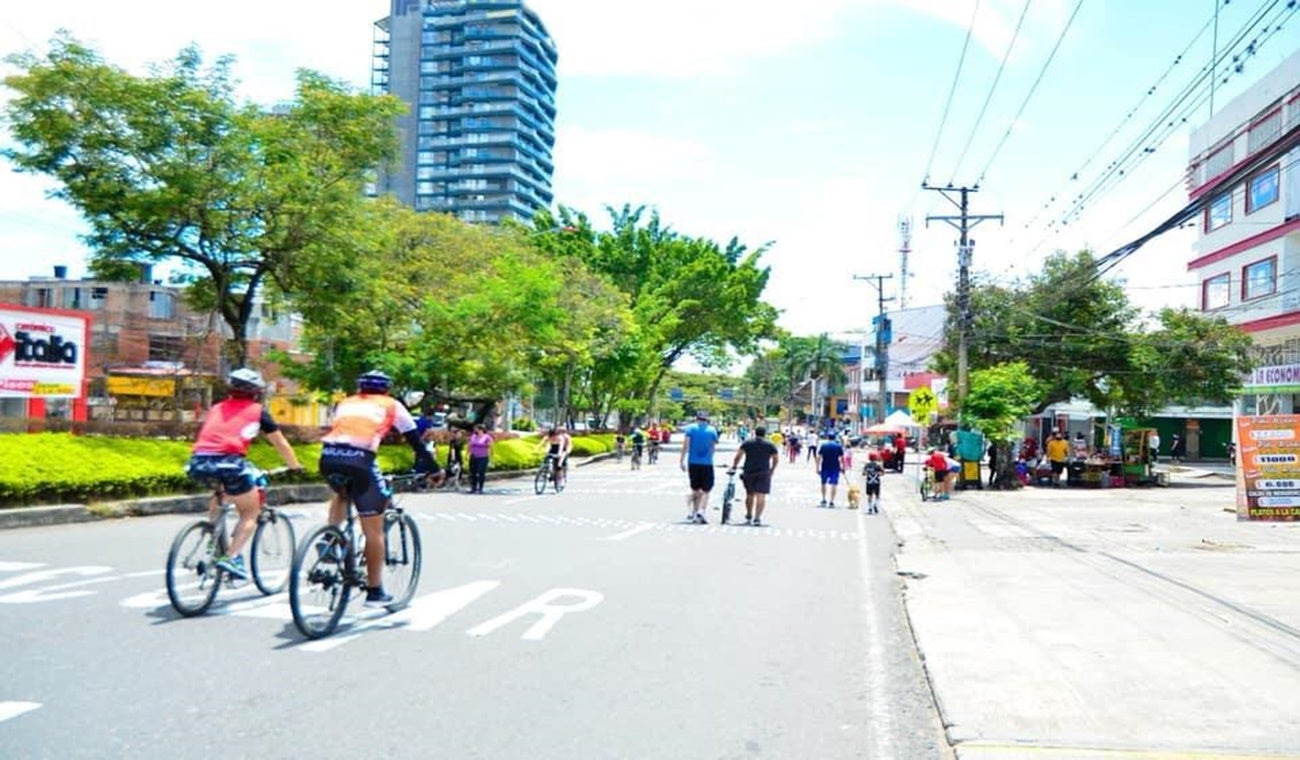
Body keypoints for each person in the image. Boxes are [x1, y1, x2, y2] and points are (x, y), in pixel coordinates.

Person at [318, 369, 435, 607]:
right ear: (387, 390)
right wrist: (434, 468)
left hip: (328, 457)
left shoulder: (346, 403)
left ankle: (331, 537)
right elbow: (416, 442)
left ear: (359, 388)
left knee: (343, 493)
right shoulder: (392, 405)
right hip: (360, 461)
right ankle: (374, 591)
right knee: (374, 530)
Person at [186, 368, 304, 580]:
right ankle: (231, 558)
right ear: (256, 392)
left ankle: (214, 537)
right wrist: (295, 466)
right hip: (230, 463)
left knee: (221, 495)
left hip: (198, 462)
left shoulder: (216, 408)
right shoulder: (258, 412)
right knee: (250, 512)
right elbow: (280, 443)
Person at [730, 425, 780, 526]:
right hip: (764, 472)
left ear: (755, 433)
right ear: (765, 434)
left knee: (749, 494)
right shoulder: (770, 445)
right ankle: (757, 518)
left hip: (749, 471)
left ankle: (749, 515)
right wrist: (772, 470)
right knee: (761, 495)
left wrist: (734, 466)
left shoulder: (747, 443)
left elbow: (738, 456)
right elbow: (776, 459)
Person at [679, 410, 719, 524]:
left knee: (695, 488)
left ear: (697, 418)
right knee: (706, 489)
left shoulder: (690, 429)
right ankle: (701, 511)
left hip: (693, 462)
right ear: (707, 419)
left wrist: (681, 460)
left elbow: (685, 445)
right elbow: (713, 446)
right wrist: (709, 457)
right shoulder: (712, 430)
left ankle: (695, 512)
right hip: (707, 463)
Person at [815, 432, 847, 507]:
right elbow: (842, 458)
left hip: (825, 466)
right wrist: (843, 467)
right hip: (835, 466)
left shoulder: (824, 446)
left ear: (828, 438)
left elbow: (819, 457)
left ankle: (823, 499)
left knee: (823, 483)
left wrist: (817, 468)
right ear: (835, 438)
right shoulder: (838, 446)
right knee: (834, 484)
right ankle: (832, 501)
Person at [467, 424, 493, 493]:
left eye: (477, 429)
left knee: (481, 473)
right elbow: (469, 445)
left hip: (483, 457)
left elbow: (490, 447)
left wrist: (490, 457)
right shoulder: (473, 436)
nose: (475, 430)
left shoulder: (487, 437)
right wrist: (467, 453)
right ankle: (473, 487)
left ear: (481, 429)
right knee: (473, 472)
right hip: (473, 456)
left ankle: (481, 488)